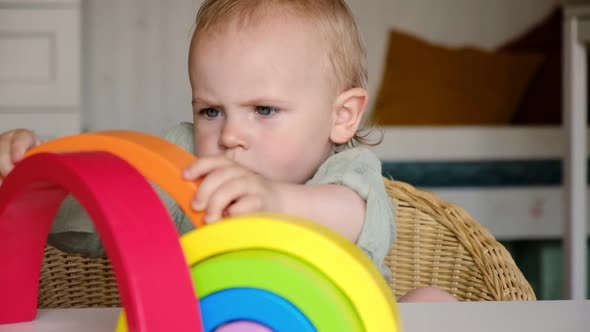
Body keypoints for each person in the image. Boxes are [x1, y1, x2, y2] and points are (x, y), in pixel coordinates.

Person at [0, 0, 456, 302]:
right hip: (218, 321)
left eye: (263, 109)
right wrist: (36, 186)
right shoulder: (188, 167)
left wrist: (274, 202)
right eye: (211, 111)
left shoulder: (347, 171)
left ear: (342, 117)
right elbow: (107, 214)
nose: (230, 134)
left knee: (433, 302)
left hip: (344, 321)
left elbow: (352, 216)